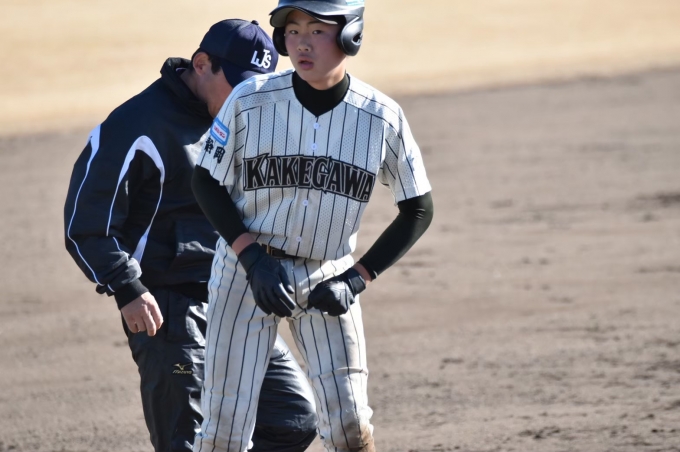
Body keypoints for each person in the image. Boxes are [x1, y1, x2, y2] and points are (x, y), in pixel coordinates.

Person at [63, 19, 318, 452]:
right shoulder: (136, 125)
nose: (245, 100)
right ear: (202, 64)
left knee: (292, 419)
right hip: (168, 312)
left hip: (234, 298)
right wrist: (127, 288)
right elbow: (85, 225)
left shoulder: (243, 120)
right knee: (186, 441)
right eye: (237, 85)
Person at [190, 1, 434, 451]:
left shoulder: (380, 116)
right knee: (224, 428)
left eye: (317, 30)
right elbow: (205, 180)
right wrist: (251, 258)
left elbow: (418, 207)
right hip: (245, 270)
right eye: (293, 30)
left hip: (328, 274)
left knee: (350, 425)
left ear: (350, 35)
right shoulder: (250, 100)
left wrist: (357, 278)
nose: (301, 42)